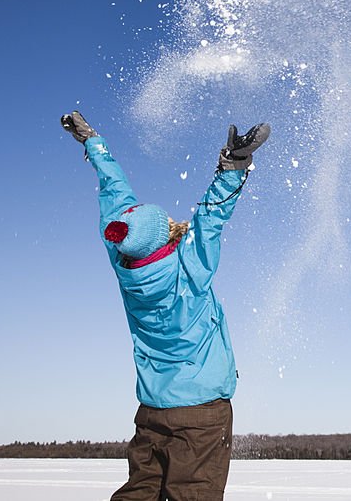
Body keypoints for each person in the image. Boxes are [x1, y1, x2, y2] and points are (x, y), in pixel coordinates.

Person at [61, 110, 270, 501]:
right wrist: (234, 165)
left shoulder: (123, 263)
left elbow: (115, 196)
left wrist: (95, 145)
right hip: (202, 415)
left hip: (153, 411)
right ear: (166, 237)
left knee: (140, 493)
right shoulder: (189, 269)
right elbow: (211, 216)